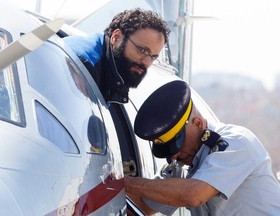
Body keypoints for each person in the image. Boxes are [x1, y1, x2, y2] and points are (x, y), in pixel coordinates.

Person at [125, 80, 280, 216]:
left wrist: (127, 183)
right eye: (167, 150)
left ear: (198, 123)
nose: (174, 155)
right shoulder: (181, 165)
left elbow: (194, 194)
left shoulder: (236, 142)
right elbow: (142, 206)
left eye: (177, 143)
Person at [64, 8, 170, 104]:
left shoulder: (108, 68)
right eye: (142, 50)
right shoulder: (82, 66)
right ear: (116, 38)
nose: (147, 62)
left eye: (153, 57)